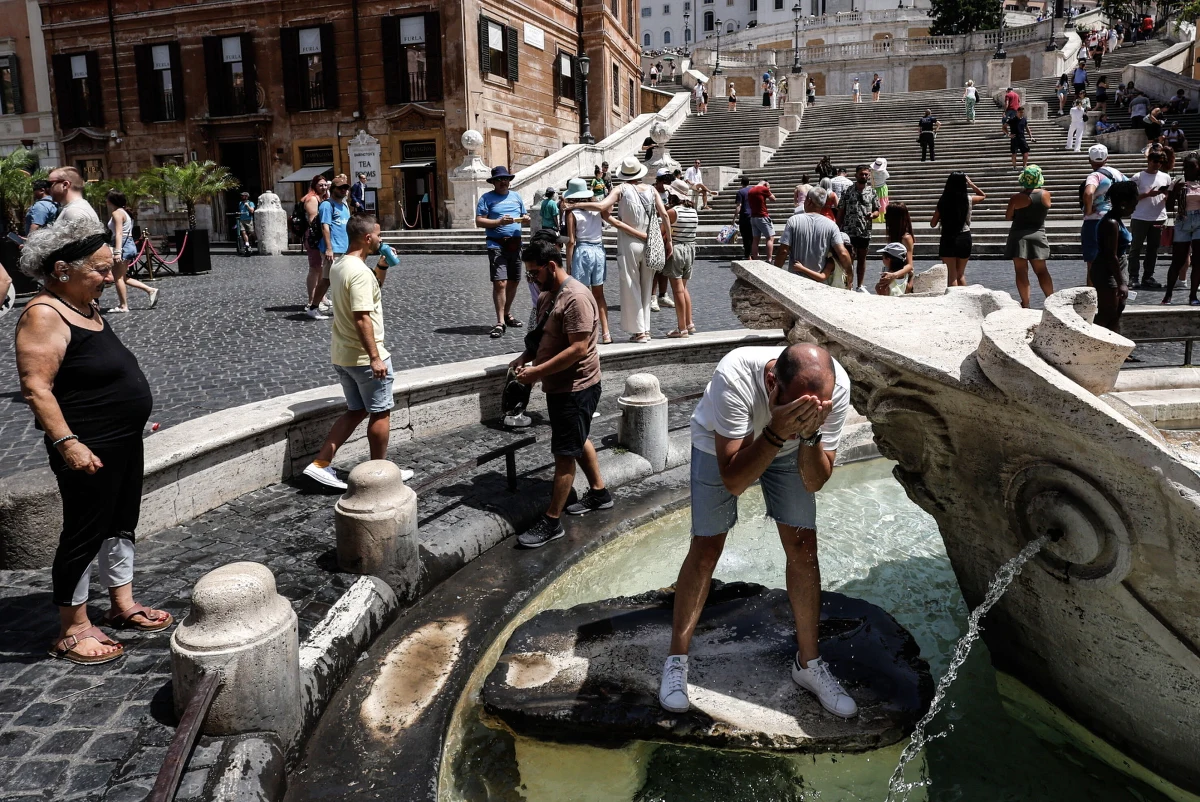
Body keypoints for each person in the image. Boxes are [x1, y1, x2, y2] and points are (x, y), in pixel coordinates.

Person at [658, 343, 856, 718]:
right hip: (723, 445)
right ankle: (677, 659)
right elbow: (733, 478)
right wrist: (778, 432)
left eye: (815, 409)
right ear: (771, 382)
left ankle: (809, 665)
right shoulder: (734, 376)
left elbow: (814, 481)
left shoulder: (836, 388)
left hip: (785, 448)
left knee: (802, 545)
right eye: (799, 407)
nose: (808, 414)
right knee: (707, 546)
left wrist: (810, 436)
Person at [15, 217, 172, 665]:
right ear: (62, 269)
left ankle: (123, 604)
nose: (110, 276)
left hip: (121, 439)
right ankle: (71, 627)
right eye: (100, 270)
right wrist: (68, 443)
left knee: (121, 521)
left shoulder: (86, 306)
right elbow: (36, 388)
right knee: (84, 532)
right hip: (86, 445)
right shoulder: (44, 314)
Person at [511, 237, 609, 548]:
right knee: (576, 438)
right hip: (559, 385)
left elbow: (579, 348)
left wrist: (537, 373)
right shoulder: (548, 294)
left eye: (533, 273)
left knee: (564, 453)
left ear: (551, 267)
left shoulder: (577, 298)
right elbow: (542, 337)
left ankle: (552, 521)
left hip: (576, 387)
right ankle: (599, 492)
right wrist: (524, 359)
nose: (531, 279)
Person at [302, 215, 411, 490]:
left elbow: (371, 291)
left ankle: (320, 464)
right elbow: (362, 316)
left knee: (356, 410)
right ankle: (380, 474)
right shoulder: (359, 273)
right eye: (379, 235)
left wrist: (383, 265)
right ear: (367, 238)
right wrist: (375, 358)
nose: (381, 239)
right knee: (381, 412)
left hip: (343, 354)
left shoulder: (341, 265)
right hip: (365, 358)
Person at [578, 156, 672, 343]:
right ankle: (645, 329)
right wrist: (668, 241)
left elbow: (602, 207)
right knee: (647, 286)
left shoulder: (621, 189)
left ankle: (639, 332)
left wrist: (576, 204)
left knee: (631, 285)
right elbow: (665, 216)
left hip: (629, 242)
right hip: (651, 242)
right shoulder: (652, 190)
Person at [476, 166, 530, 339]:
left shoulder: (516, 197)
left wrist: (527, 219)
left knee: (514, 281)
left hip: (516, 243)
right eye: (500, 179)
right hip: (496, 244)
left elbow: (524, 215)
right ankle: (500, 322)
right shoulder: (486, 198)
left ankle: (506, 314)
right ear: (493, 182)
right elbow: (479, 221)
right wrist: (498, 222)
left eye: (506, 179)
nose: (503, 182)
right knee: (500, 282)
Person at [563, 177, 612, 345]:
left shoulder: (571, 212)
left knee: (582, 295)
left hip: (583, 251)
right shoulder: (596, 209)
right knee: (599, 295)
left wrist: (568, 265)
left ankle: (585, 334)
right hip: (599, 250)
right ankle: (606, 333)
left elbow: (571, 241)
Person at [774, 186, 852, 285]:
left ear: (809, 201)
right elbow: (843, 253)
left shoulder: (793, 221)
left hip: (796, 281)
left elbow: (783, 251)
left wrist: (775, 273)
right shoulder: (832, 225)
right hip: (819, 283)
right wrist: (850, 274)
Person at [1004, 165, 1054, 308]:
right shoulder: (1045, 194)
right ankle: (1051, 300)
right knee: (1042, 270)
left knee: (1021, 271)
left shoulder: (1016, 198)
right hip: (1038, 234)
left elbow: (1008, 217)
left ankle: (1025, 303)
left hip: (1018, 236)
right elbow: (1046, 208)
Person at [1092, 181, 1138, 329]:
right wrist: (1121, 283)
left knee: (1117, 310)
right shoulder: (1111, 223)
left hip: (1115, 267)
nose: (1135, 207)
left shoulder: (1116, 220)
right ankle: (1093, 345)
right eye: (1133, 203)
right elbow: (1111, 255)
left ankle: (1114, 348)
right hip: (1107, 271)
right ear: (1124, 203)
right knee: (1107, 312)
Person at [105, 191, 157, 313]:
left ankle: (123, 306)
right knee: (122, 277)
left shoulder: (117, 213)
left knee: (117, 277)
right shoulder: (125, 213)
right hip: (128, 243)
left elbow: (118, 233)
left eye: (107, 198)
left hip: (122, 244)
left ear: (112, 201)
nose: (105, 201)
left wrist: (117, 251)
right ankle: (150, 290)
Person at [1082, 144, 1127, 283]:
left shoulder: (1095, 176)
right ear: (1106, 158)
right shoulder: (1118, 174)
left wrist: (1088, 210)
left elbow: (1088, 193)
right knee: (1115, 257)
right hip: (1114, 220)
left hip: (1095, 221)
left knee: (1093, 262)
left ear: (1090, 160)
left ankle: (1092, 297)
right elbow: (1132, 189)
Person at [931, 172, 985, 287]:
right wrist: (971, 184)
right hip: (964, 236)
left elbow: (933, 223)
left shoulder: (943, 200)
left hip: (948, 237)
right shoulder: (968, 199)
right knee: (960, 275)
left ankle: (954, 302)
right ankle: (965, 300)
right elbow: (983, 195)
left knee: (951, 275)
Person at [1130, 149, 1171, 290]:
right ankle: (1133, 277)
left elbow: (1168, 198)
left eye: (1161, 162)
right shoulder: (1138, 177)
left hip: (1158, 217)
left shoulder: (1166, 177)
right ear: (1149, 161)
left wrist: (1167, 196)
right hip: (1140, 216)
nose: (1158, 164)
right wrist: (1148, 194)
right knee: (1136, 248)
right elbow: (1131, 198)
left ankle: (1148, 276)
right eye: (1155, 161)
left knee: (1153, 249)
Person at [1163, 153, 1200, 305]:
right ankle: (1168, 294)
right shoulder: (1177, 181)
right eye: (1186, 166)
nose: (1188, 169)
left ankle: (1193, 296)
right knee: (1177, 260)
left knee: (1198, 261)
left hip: (1199, 221)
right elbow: (1168, 206)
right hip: (1182, 220)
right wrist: (1175, 191)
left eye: (1192, 166)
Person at [836, 164, 880, 290]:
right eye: (862, 174)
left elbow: (877, 210)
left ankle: (860, 285)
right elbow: (841, 211)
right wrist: (836, 228)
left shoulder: (872, 192)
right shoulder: (847, 191)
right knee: (848, 259)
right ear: (856, 175)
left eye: (866, 174)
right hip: (849, 230)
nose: (864, 176)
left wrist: (872, 215)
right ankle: (849, 283)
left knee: (862, 259)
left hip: (864, 231)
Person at [662, 189, 698, 338]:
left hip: (676, 250)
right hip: (690, 249)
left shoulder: (673, 212)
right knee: (684, 288)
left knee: (677, 291)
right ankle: (689, 323)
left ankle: (681, 328)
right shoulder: (693, 211)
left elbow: (662, 231)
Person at [302, 175, 331, 320]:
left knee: (321, 267)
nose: (324, 187)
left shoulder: (321, 198)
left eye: (325, 185)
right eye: (321, 185)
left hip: (319, 237)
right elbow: (313, 220)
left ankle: (322, 298)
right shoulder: (312, 199)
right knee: (314, 268)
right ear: (314, 185)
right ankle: (311, 301)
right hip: (314, 237)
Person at [883, 201, 915, 293]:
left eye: (887, 215)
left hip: (902, 279)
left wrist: (894, 275)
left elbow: (909, 265)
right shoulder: (894, 235)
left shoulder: (906, 238)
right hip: (894, 275)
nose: (885, 217)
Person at [747, 180, 777, 261]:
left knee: (755, 239)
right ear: (765, 184)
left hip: (753, 217)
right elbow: (773, 199)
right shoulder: (763, 189)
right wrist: (768, 189)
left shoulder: (751, 190)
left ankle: (756, 258)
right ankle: (769, 259)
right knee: (770, 238)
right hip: (762, 216)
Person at [733, 176, 754, 260]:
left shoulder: (740, 192)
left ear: (741, 183)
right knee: (752, 236)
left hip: (744, 216)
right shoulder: (752, 190)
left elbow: (738, 206)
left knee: (745, 236)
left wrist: (734, 218)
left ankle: (748, 255)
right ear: (749, 183)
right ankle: (753, 253)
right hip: (753, 215)